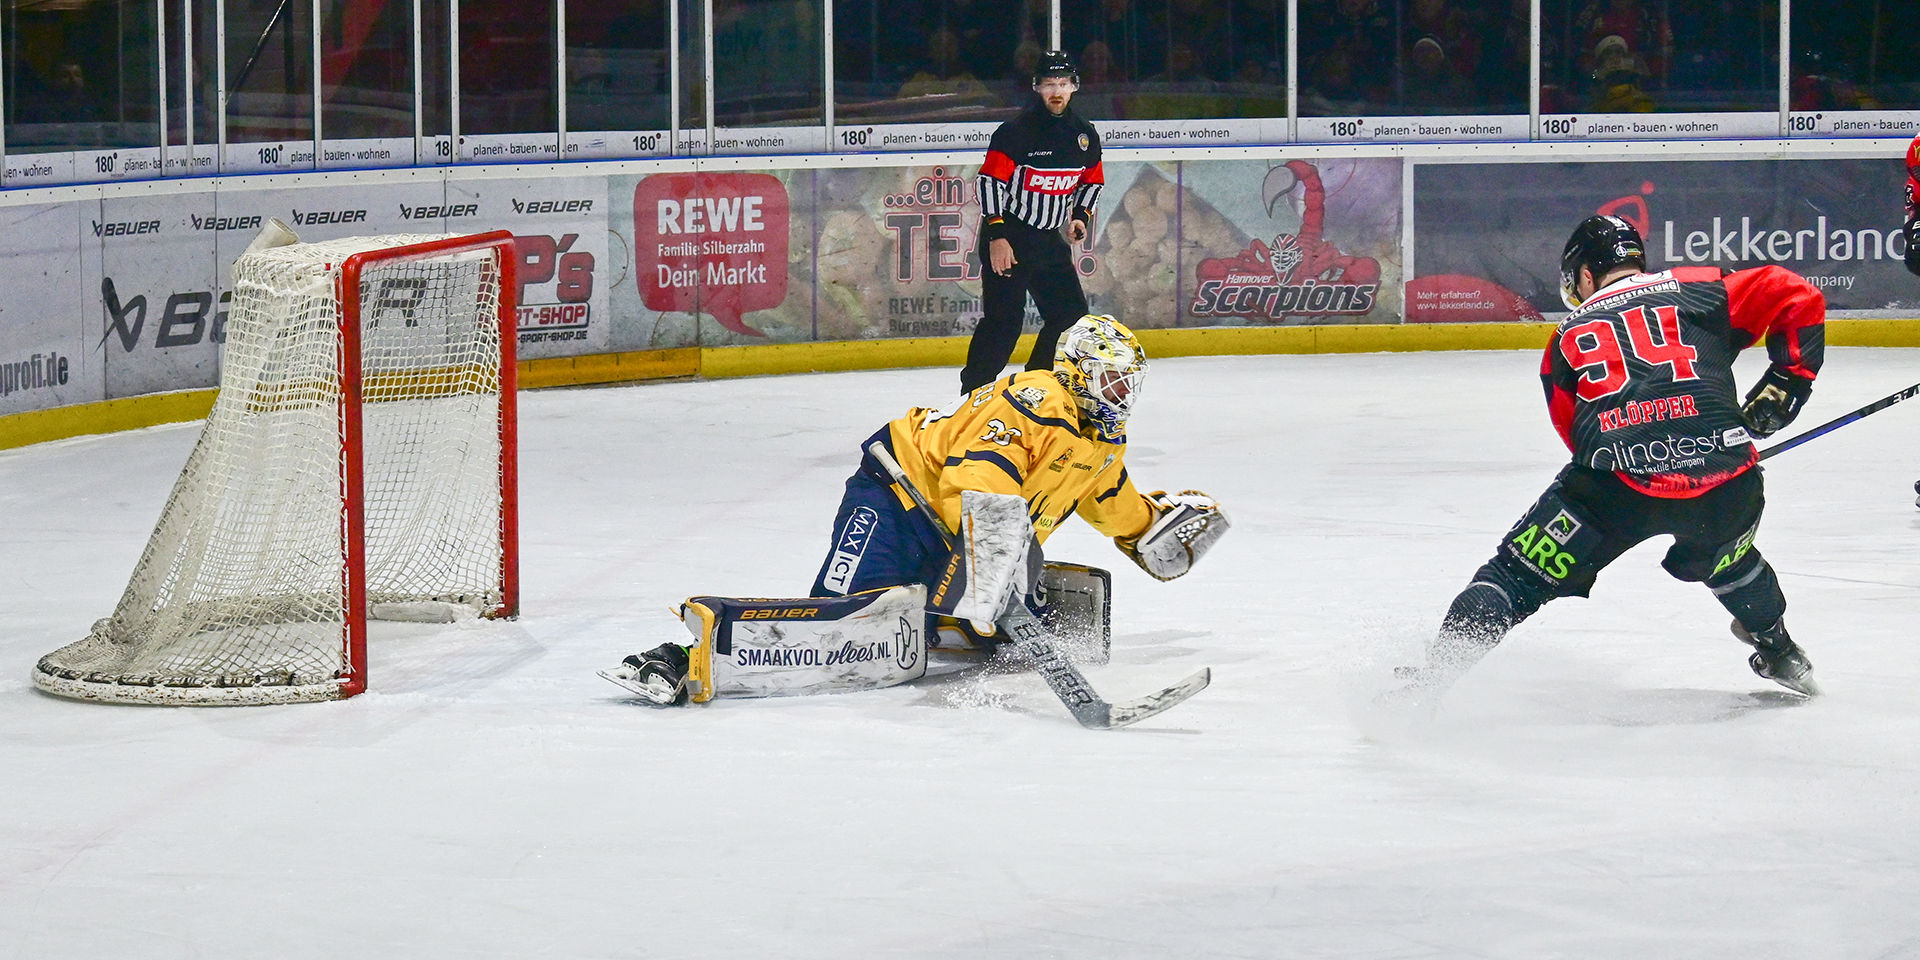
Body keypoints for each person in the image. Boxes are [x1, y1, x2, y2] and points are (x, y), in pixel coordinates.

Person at [608, 315, 1228, 705]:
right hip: (898, 497)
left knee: (931, 631)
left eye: (1130, 386)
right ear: (1082, 372)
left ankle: (956, 608)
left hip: (965, 533)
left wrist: (1152, 529)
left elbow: (1111, 502)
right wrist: (999, 549)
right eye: (1114, 382)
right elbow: (978, 473)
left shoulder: (1101, 442)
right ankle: (680, 660)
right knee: (846, 627)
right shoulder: (1037, 396)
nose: (1123, 397)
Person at [1396, 215, 1827, 705]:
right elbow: (1795, 293)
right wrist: (1790, 380)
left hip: (1615, 492)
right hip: (1728, 485)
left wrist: (1648, 449)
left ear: (1584, 275)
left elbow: (1572, 431)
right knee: (1730, 554)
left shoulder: (1565, 336)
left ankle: (1432, 681)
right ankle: (1781, 650)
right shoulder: (1701, 287)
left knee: (1512, 576)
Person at [961, 50, 1104, 394]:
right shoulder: (1015, 132)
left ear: (1075, 87)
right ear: (1037, 87)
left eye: (1064, 83)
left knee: (1071, 316)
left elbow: (1091, 180)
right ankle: (973, 395)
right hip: (1009, 236)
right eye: (1050, 83)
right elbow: (989, 183)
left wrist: (1080, 217)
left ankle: (1038, 384)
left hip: (1048, 240)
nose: (1057, 90)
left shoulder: (1085, 135)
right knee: (1004, 322)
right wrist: (996, 235)